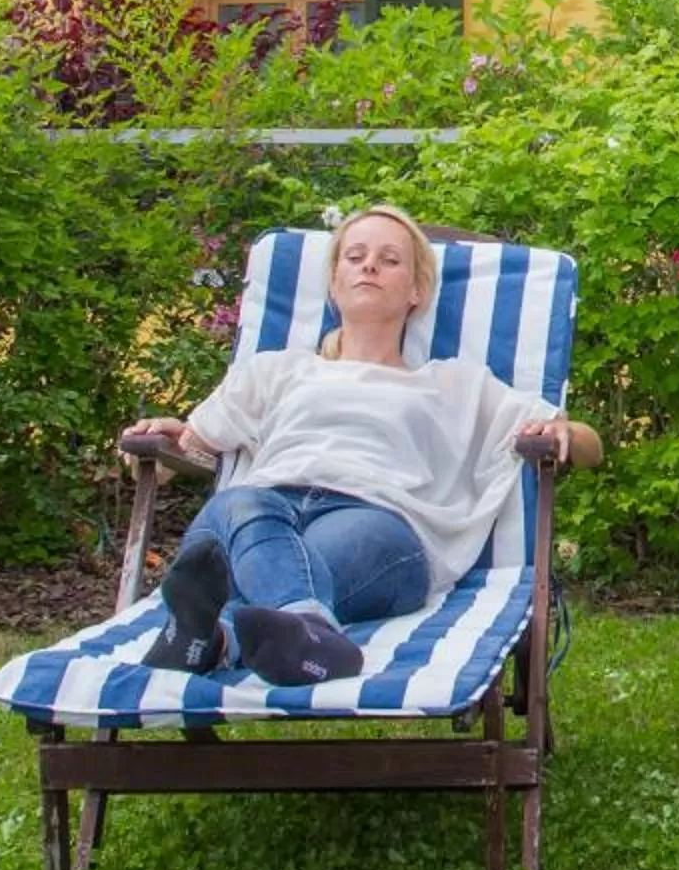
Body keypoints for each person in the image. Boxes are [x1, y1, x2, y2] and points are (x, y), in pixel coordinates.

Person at [120, 204, 599, 687]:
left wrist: (568, 434)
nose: (369, 265)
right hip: (264, 509)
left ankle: (207, 638)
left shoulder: (454, 384)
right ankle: (290, 634)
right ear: (333, 282)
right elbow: (191, 446)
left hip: (379, 523)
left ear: (417, 290)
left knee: (267, 551)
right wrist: (157, 443)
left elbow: (586, 444)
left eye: (390, 260)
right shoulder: (277, 370)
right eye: (355, 256)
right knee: (240, 505)